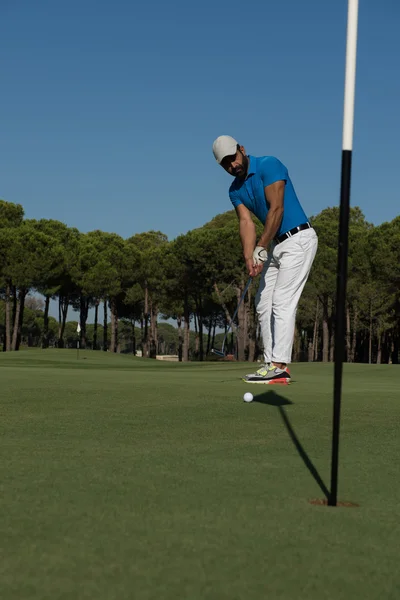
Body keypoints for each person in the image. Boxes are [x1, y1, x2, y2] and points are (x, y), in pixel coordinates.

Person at [212, 135, 318, 384]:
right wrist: (250, 256)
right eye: (226, 164)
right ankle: (271, 363)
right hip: (277, 244)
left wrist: (261, 246)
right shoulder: (234, 190)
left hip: (299, 238)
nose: (232, 165)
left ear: (242, 149)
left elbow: (277, 209)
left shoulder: (269, 165)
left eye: (233, 158)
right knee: (263, 302)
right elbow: (246, 222)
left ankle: (280, 367)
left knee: (282, 301)